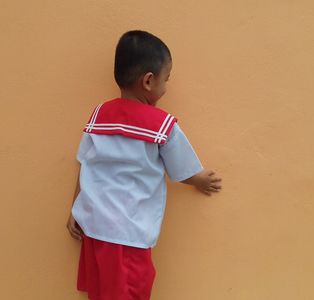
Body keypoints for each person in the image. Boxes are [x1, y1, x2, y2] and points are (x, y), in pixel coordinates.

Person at [66, 30, 222, 300]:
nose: (166, 86)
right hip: (128, 234)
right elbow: (181, 167)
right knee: (131, 292)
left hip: (94, 226)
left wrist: (75, 208)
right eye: (167, 79)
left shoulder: (99, 115)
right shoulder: (161, 125)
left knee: (102, 291)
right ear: (149, 81)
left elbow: (85, 163)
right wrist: (200, 180)